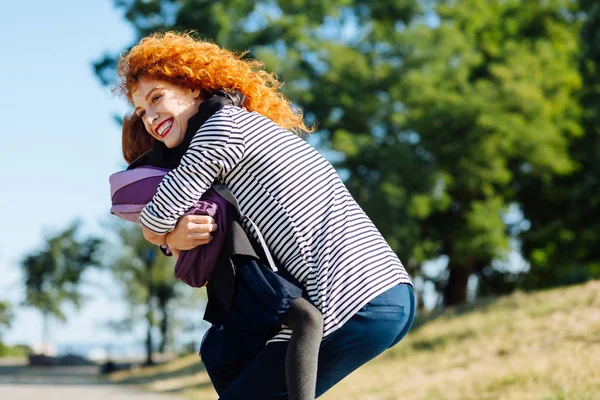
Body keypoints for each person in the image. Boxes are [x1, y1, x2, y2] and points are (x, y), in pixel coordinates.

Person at [114, 31, 415, 399]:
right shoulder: (234, 126)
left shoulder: (220, 130)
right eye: (142, 110)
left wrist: (162, 235)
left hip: (352, 300)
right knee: (221, 355)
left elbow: (158, 217)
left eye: (157, 97)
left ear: (192, 87)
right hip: (374, 295)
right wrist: (171, 238)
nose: (150, 117)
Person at [112, 91, 324, 400]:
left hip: (232, 291)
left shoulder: (185, 166)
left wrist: (166, 240)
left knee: (221, 352)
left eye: (154, 103)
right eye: (144, 113)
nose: (151, 119)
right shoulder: (183, 173)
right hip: (242, 273)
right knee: (306, 319)